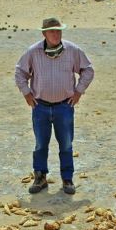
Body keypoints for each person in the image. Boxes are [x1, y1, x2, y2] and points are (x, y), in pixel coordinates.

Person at [15, 17, 95, 195]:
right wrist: (26, 93)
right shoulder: (33, 52)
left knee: (66, 144)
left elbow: (88, 69)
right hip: (40, 107)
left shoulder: (72, 50)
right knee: (40, 144)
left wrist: (79, 91)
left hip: (64, 107)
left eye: (58, 30)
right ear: (44, 34)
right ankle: (40, 177)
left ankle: (67, 179)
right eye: (52, 31)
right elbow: (20, 72)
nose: (56, 34)